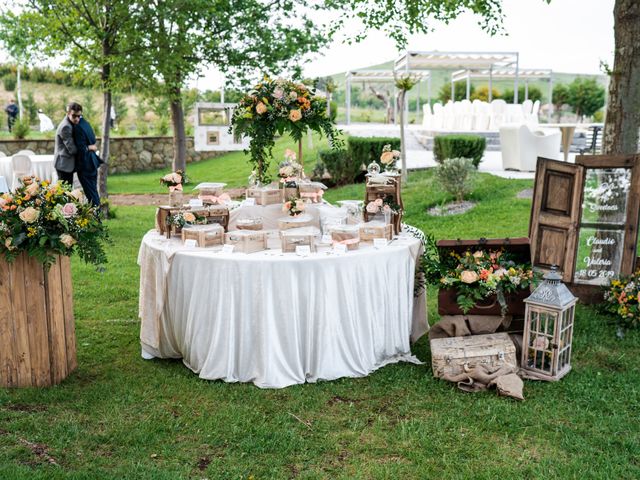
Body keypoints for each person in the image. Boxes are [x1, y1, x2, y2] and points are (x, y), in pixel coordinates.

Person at [73, 114, 101, 207]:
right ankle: (97, 213)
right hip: (92, 161)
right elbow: (93, 139)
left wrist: (87, 148)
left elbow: (80, 148)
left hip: (85, 163)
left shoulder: (78, 127)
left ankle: (96, 213)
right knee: (93, 190)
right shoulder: (86, 123)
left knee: (90, 192)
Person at [54, 102, 82, 186]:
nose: (77, 119)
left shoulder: (70, 123)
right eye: (74, 116)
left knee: (66, 193)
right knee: (64, 194)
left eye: (79, 116)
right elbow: (72, 149)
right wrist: (87, 148)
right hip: (63, 166)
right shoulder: (65, 127)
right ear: (68, 113)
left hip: (65, 164)